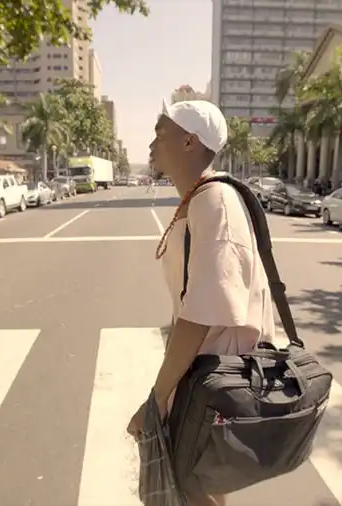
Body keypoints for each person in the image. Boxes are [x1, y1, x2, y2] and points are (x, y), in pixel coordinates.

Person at [126, 100, 275, 506]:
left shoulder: (214, 202)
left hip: (214, 378)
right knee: (203, 483)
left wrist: (155, 401)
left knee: (192, 485)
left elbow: (202, 313)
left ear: (189, 141)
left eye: (161, 132)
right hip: (205, 372)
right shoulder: (200, 198)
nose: (152, 143)